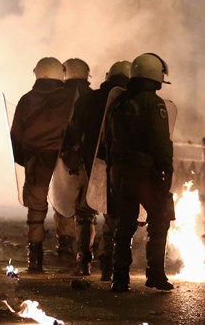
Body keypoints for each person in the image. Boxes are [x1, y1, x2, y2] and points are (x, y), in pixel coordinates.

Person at [103, 53, 175, 292]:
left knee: (124, 224)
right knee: (160, 218)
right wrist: (167, 167)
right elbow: (160, 141)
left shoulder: (118, 102)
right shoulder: (154, 104)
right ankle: (155, 274)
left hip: (120, 172)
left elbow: (107, 139)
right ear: (155, 75)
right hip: (145, 172)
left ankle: (119, 277)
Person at [60, 60, 131, 279]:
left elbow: (71, 132)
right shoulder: (130, 102)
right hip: (119, 166)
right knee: (114, 214)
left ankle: (84, 260)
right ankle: (109, 264)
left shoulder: (87, 101)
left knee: (84, 214)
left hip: (87, 164)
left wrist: (69, 154)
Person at [10, 57, 76, 273]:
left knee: (36, 211)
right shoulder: (71, 97)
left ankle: (35, 260)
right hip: (64, 160)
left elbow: (16, 136)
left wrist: (24, 160)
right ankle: (66, 254)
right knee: (65, 206)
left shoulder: (27, 100)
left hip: (36, 160)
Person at [52, 58, 93, 264]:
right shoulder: (94, 97)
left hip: (63, 156)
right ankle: (85, 253)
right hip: (89, 159)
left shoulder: (56, 97)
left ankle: (65, 248)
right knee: (85, 209)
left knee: (62, 202)